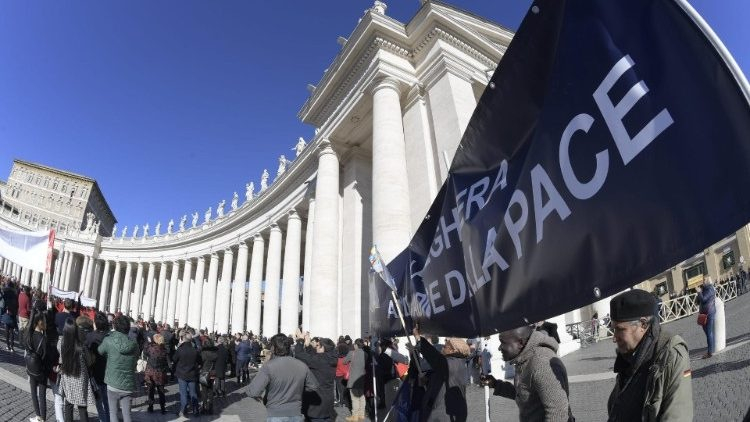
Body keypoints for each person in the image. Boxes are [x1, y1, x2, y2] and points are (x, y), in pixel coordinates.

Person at [607, 289, 693, 421]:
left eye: (620, 329)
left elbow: (677, 416)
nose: (614, 337)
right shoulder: (629, 354)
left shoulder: (671, 355)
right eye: (614, 329)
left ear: (643, 324)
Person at [481, 325, 573, 422]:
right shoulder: (525, 358)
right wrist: (496, 384)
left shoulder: (541, 363)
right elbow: (524, 395)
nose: (499, 348)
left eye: (503, 342)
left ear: (520, 343)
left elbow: (558, 413)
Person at [247, 333, 320, 422]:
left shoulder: (269, 366)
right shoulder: (301, 365)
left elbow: (253, 392)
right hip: (296, 413)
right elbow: (314, 386)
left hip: (276, 413)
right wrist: (298, 389)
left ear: (273, 348)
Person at [412, 326, 469, 422]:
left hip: (443, 416)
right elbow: (443, 380)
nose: (442, 348)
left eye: (445, 346)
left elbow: (436, 359)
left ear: (453, 350)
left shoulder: (454, 363)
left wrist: (418, 339)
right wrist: (427, 381)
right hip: (440, 413)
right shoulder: (454, 363)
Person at [98, 314, 139, 422]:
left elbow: (100, 351)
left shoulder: (108, 340)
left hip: (113, 381)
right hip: (128, 384)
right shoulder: (134, 344)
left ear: (115, 326)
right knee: (127, 414)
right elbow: (136, 358)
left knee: (113, 413)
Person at [293, 332, 338, 421]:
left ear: (323, 348)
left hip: (318, 402)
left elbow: (299, 354)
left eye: (317, 345)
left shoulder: (320, 360)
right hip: (328, 400)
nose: (316, 347)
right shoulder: (331, 358)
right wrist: (308, 346)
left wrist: (300, 341)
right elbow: (314, 357)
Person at [59, 318, 95, 422]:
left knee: (68, 404)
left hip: (67, 376)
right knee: (82, 407)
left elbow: (61, 360)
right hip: (80, 378)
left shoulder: (61, 343)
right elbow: (89, 362)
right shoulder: (81, 345)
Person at [25, 308, 54, 422]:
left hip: (31, 368)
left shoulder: (29, 334)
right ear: (39, 322)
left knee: (33, 393)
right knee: (42, 396)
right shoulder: (43, 339)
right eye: (44, 320)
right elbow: (47, 357)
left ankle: (38, 416)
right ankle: (43, 419)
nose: (45, 322)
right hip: (41, 370)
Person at [86, 312, 111, 422]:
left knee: (99, 401)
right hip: (108, 372)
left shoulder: (90, 336)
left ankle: (103, 419)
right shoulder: (110, 336)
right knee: (107, 401)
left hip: (95, 373)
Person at [173, 332, 202, 416]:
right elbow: (200, 362)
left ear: (184, 339)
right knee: (193, 393)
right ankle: (195, 410)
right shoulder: (195, 350)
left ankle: (183, 410)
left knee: (183, 393)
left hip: (182, 374)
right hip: (192, 374)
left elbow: (174, 359)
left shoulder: (180, 349)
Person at [343, 339, 368, 421]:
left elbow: (344, 362)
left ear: (356, 345)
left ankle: (355, 416)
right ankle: (361, 414)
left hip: (353, 379)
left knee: (355, 398)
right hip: (362, 378)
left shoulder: (352, 353)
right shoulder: (365, 354)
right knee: (361, 396)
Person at [144, 333, 169, 414]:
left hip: (151, 372)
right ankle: (163, 408)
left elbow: (145, 352)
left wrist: (148, 343)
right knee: (161, 391)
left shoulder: (151, 348)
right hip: (160, 372)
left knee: (151, 390)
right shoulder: (164, 350)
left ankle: (150, 407)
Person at [697, 277, 717, 359]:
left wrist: (699, 292)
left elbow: (704, 299)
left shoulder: (710, 289)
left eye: (704, 280)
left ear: (708, 281)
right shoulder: (704, 289)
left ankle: (710, 352)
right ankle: (712, 348)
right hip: (704, 313)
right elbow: (699, 301)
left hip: (709, 313)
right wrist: (699, 293)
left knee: (709, 333)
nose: (703, 281)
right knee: (708, 332)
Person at [199, 337, 218, 415]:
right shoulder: (215, 353)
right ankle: (210, 408)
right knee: (210, 389)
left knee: (204, 391)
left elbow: (200, 362)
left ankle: (204, 407)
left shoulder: (203, 353)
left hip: (204, 373)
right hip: (212, 373)